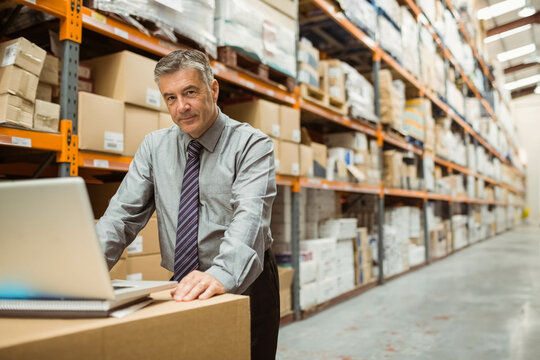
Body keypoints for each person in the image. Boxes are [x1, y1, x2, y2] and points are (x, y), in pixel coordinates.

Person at [96, 49, 280, 359]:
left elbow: (250, 217)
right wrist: (88, 269)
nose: (182, 107)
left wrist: (220, 275)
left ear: (213, 89)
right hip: (183, 282)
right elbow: (121, 216)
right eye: (170, 98)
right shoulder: (154, 147)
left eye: (190, 92)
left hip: (246, 277)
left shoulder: (251, 144)